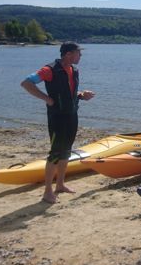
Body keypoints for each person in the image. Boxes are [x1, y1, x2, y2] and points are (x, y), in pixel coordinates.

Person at [21, 41, 95, 204]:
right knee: (55, 153)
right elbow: (26, 83)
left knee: (66, 151)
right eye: (78, 53)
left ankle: (60, 185)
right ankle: (47, 191)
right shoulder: (49, 70)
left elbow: (69, 92)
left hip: (71, 115)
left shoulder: (73, 69)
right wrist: (47, 99)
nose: (80, 56)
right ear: (68, 54)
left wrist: (82, 95)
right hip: (57, 117)